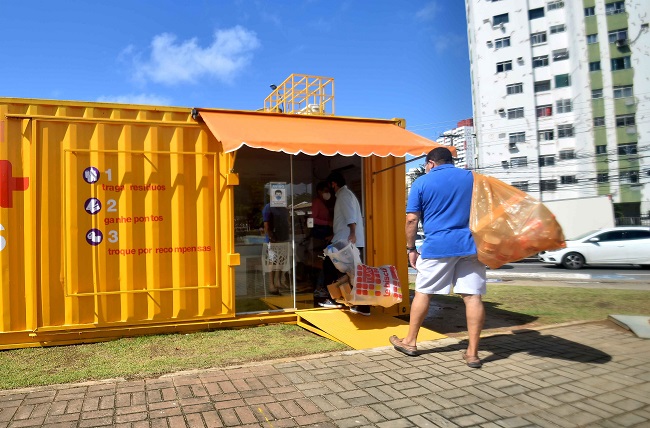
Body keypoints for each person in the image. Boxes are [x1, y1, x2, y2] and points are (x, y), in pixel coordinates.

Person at [389, 147, 486, 368]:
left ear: (431, 163)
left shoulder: (422, 182)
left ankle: (410, 342)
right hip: (470, 245)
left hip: (437, 246)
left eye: (426, 165)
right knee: (473, 297)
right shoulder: (472, 178)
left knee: (424, 293)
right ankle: (472, 353)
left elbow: (412, 219)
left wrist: (410, 248)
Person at [320, 171, 370, 316]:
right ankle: (360, 305)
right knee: (352, 274)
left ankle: (335, 299)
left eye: (329, 186)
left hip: (346, 242)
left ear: (333, 184)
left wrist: (352, 233)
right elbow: (346, 219)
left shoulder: (343, 195)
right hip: (345, 239)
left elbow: (350, 217)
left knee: (330, 267)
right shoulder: (346, 195)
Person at [309, 182, 334, 305]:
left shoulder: (322, 203)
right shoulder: (316, 203)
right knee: (321, 263)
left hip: (324, 237)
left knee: (323, 263)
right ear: (319, 191)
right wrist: (327, 223)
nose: (327, 193)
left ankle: (321, 287)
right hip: (319, 236)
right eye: (325, 190)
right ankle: (319, 288)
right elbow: (312, 219)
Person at [262, 202, 290, 295]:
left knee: (281, 259)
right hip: (273, 239)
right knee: (273, 260)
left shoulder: (283, 208)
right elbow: (266, 224)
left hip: (282, 237)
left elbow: (287, 221)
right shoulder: (268, 207)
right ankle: (271, 284)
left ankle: (278, 281)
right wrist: (270, 236)